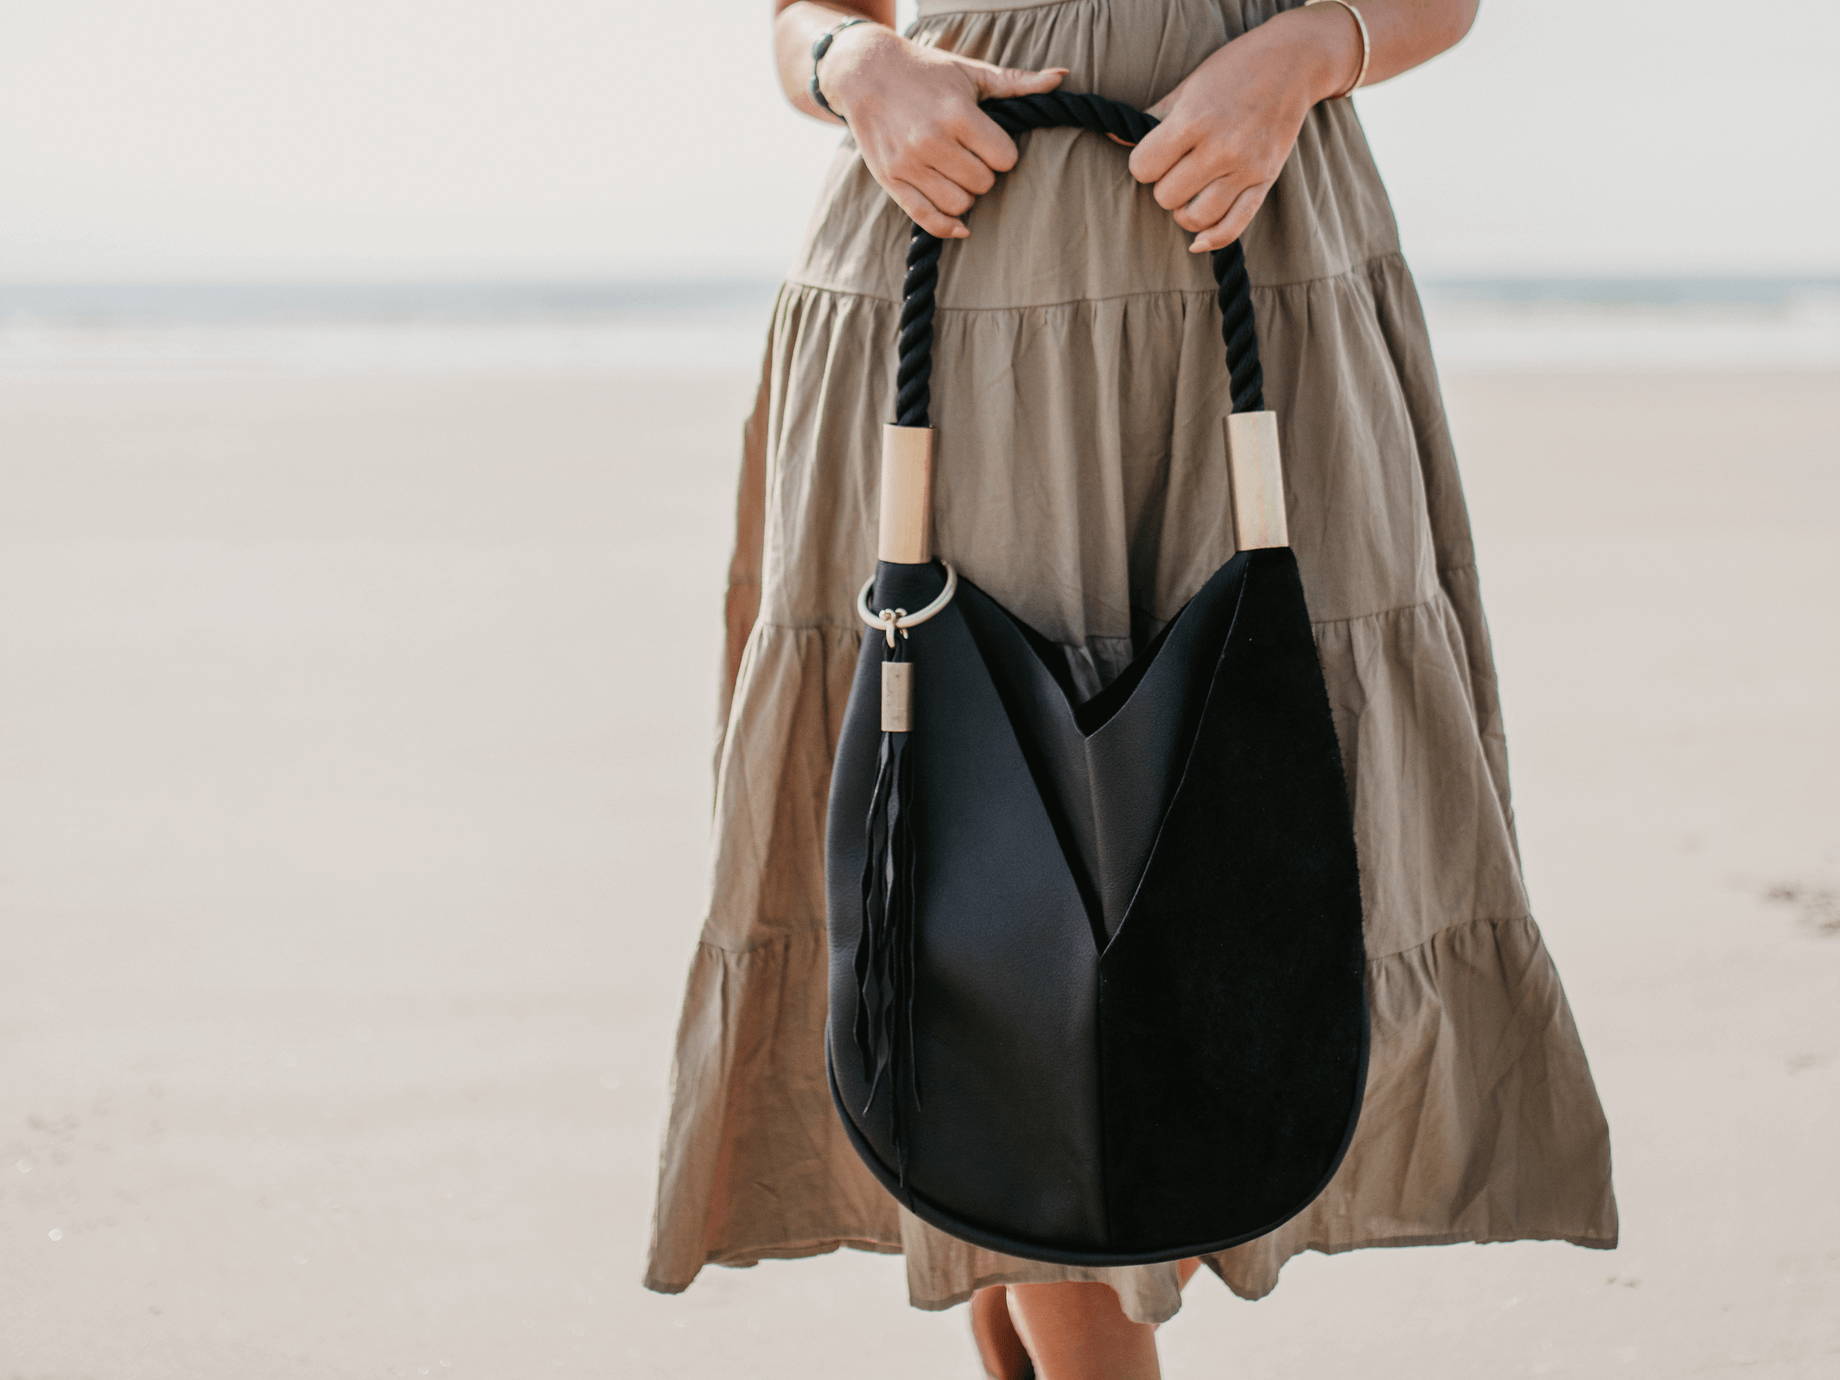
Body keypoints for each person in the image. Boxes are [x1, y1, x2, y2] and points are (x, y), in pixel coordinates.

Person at [646, 2, 1619, 1375]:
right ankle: (1051, 1292)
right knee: (987, 843)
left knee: (1236, 791)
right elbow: (813, 21)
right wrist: (858, 73)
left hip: (1254, 246)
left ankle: (1017, 1271)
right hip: (959, 273)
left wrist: (1308, 54)